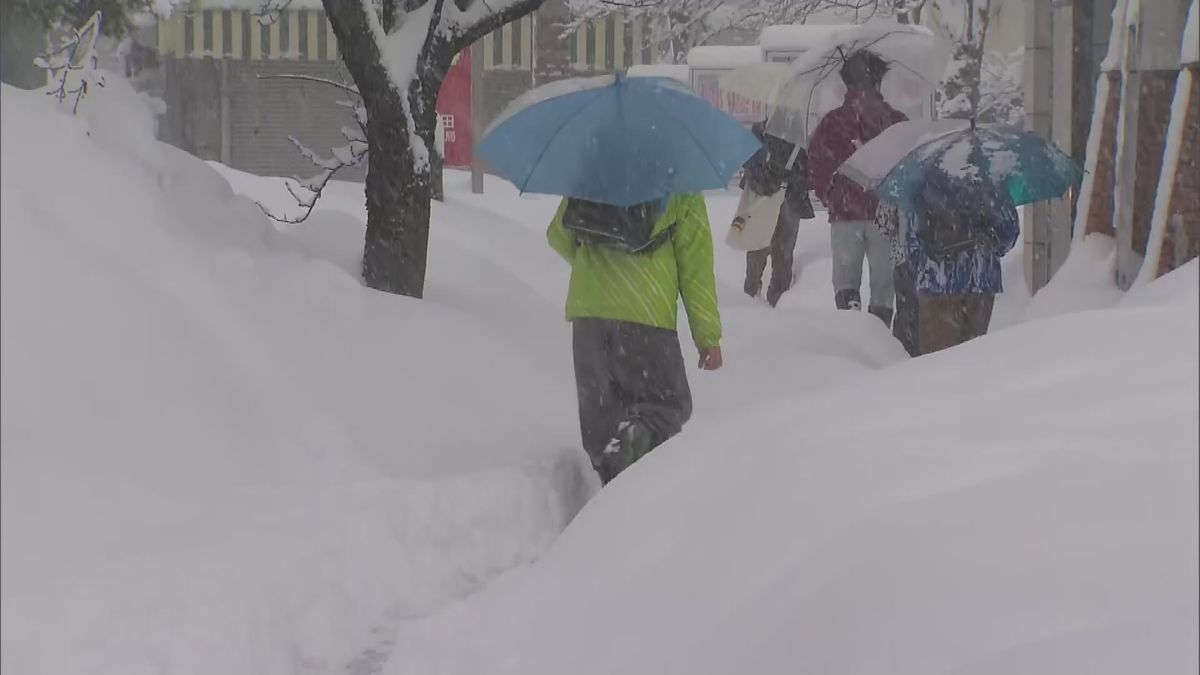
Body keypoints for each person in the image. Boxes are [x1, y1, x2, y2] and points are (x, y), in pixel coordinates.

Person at [548, 194, 723, 484]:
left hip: (588, 317)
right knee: (667, 406)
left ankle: (610, 495)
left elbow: (558, 234)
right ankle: (630, 463)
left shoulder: (593, 169)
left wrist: (596, 267)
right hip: (645, 314)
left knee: (601, 424)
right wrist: (707, 337)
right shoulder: (681, 181)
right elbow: (696, 268)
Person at [808, 50, 908, 325]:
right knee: (883, 286)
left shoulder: (831, 123)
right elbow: (910, 166)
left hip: (844, 215)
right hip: (884, 215)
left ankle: (852, 337)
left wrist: (830, 194)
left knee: (846, 285)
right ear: (878, 81)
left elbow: (816, 164)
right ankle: (879, 334)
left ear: (847, 83)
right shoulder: (896, 122)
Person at [905, 170, 1020, 353]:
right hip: (980, 283)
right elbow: (1009, 233)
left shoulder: (926, 180)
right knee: (972, 361)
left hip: (937, 283)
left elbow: (913, 243)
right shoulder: (990, 178)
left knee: (937, 364)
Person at [737, 122, 816, 307]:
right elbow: (749, 161)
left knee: (772, 251)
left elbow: (748, 161)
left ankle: (763, 299)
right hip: (778, 196)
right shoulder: (795, 134)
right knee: (774, 252)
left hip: (778, 196)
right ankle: (768, 299)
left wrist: (765, 177)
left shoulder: (763, 132)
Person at [875, 200, 920, 356]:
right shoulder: (940, 180)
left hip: (905, 258)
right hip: (934, 261)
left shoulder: (895, 186)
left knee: (907, 310)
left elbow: (883, 225)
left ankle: (906, 356)